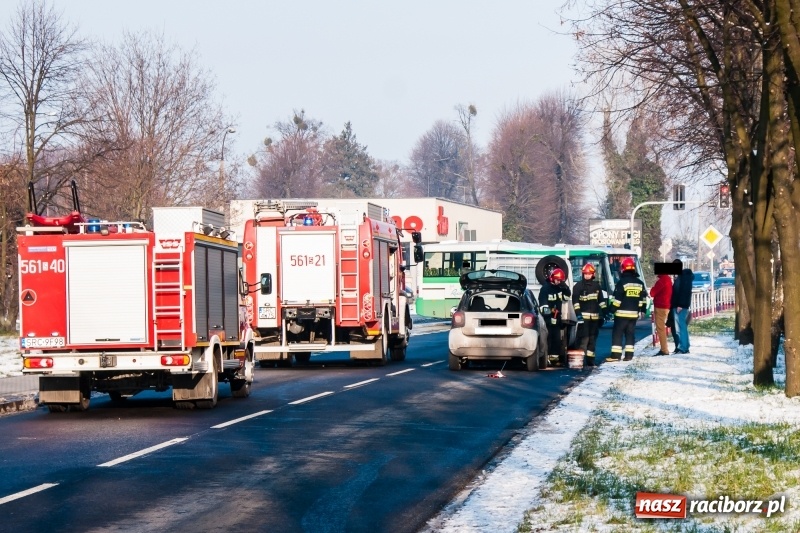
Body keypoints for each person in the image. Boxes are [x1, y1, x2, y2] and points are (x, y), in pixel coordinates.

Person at [608, 257, 647, 362]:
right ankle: (629, 356)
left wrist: (610, 310)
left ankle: (616, 356)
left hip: (621, 315)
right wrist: (642, 310)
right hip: (633, 315)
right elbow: (643, 299)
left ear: (623, 268)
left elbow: (617, 300)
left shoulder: (622, 282)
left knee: (618, 334)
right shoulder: (640, 283)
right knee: (630, 334)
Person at [572, 263, 606, 367]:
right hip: (584, 319)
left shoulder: (597, 286)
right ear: (583, 274)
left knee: (592, 340)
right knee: (583, 340)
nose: (587, 276)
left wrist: (606, 312)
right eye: (585, 274)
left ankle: (591, 362)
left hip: (594, 319)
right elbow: (575, 302)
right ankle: (580, 361)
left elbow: (601, 301)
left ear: (593, 274)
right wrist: (578, 314)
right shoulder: (578, 286)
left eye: (589, 274)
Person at [539, 267, 572, 366]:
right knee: (548, 339)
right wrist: (549, 317)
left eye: (560, 280)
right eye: (557, 280)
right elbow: (543, 307)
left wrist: (565, 287)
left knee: (557, 340)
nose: (558, 282)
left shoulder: (559, 288)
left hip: (557, 319)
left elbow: (566, 297)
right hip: (547, 319)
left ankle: (554, 360)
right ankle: (546, 359)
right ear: (552, 278)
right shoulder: (545, 289)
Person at [670, 259, 694, 354]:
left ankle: (683, 347)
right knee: (680, 327)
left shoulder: (683, 278)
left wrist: (680, 304)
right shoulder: (681, 277)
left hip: (680, 306)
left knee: (681, 327)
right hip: (678, 305)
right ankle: (684, 346)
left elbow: (684, 292)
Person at [650, 269, 673, 356]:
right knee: (662, 328)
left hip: (660, 306)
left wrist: (653, 287)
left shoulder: (662, 280)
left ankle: (664, 349)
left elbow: (652, 293)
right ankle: (664, 348)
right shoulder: (668, 279)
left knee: (660, 329)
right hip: (666, 306)